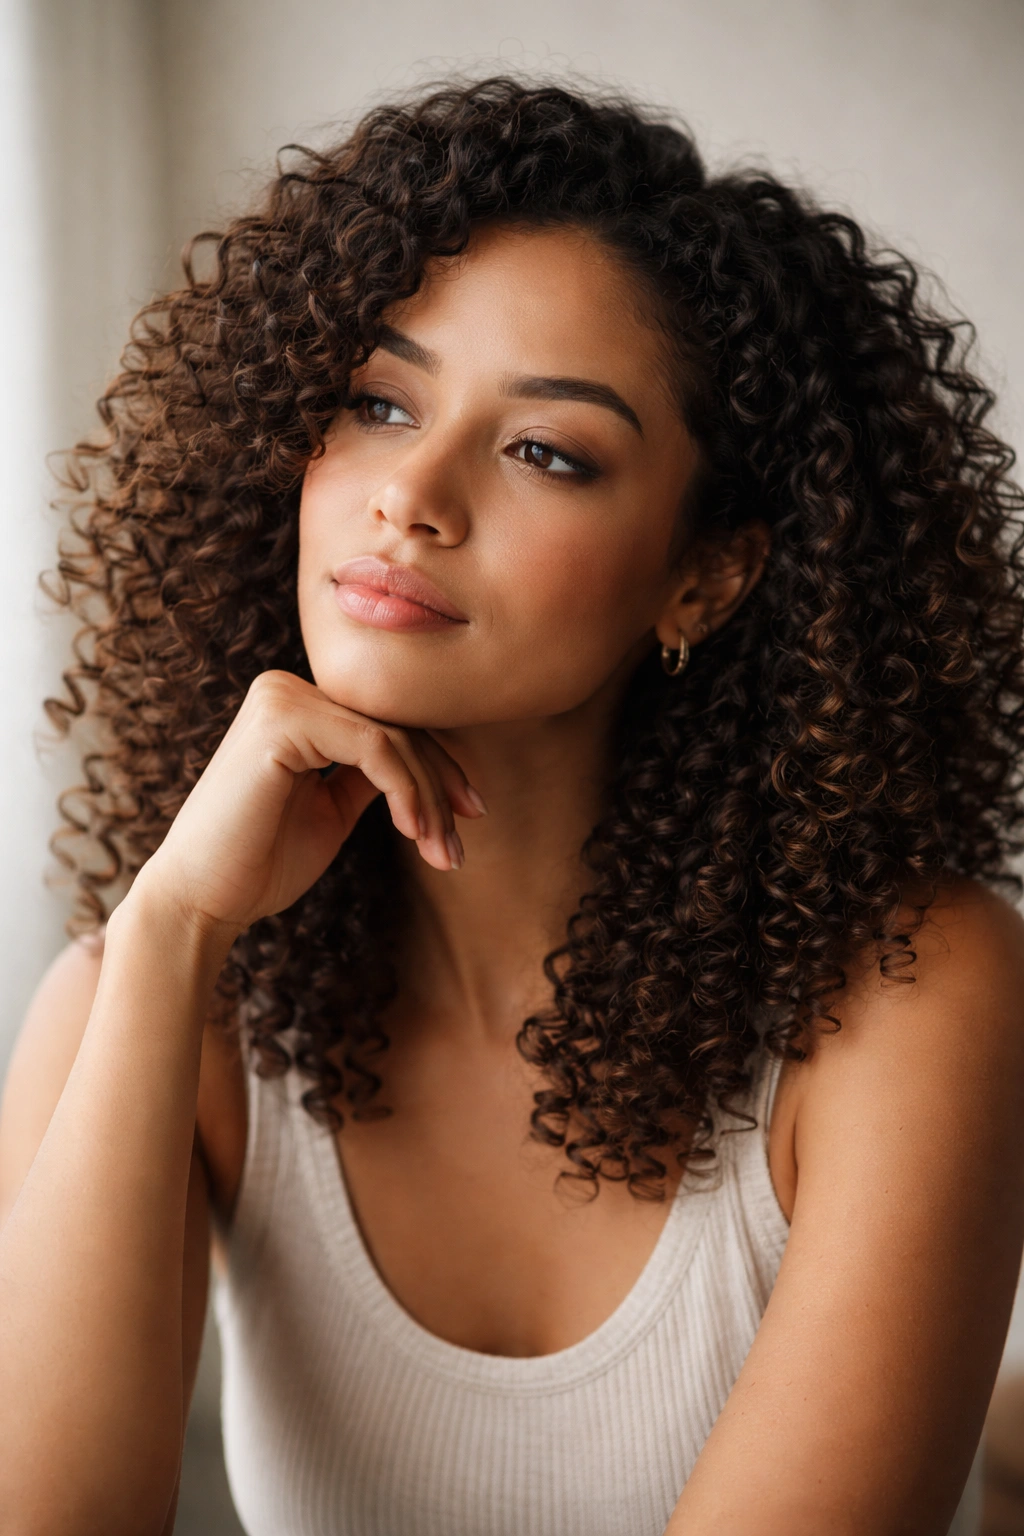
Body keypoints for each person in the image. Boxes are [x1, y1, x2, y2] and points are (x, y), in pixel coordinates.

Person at [0, 76, 1022, 1536]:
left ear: (706, 574)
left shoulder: (911, 999)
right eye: (376, 401)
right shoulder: (160, 1002)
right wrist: (165, 928)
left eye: (545, 450)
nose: (409, 493)